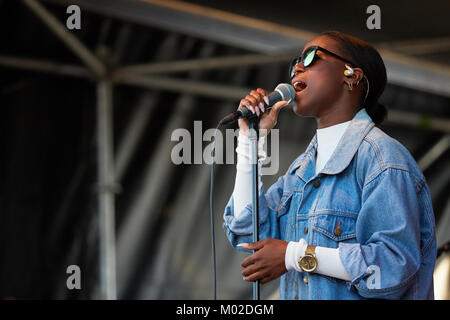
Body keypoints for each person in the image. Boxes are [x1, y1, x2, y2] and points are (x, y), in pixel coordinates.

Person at [222, 30, 436, 300]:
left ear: (352, 76)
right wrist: (250, 142)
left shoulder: (383, 159)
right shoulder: (301, 170)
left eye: (312, 57)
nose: (298, 66)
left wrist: (296, 255)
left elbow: (392, 266)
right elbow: (247, 232)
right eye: (296, 61)